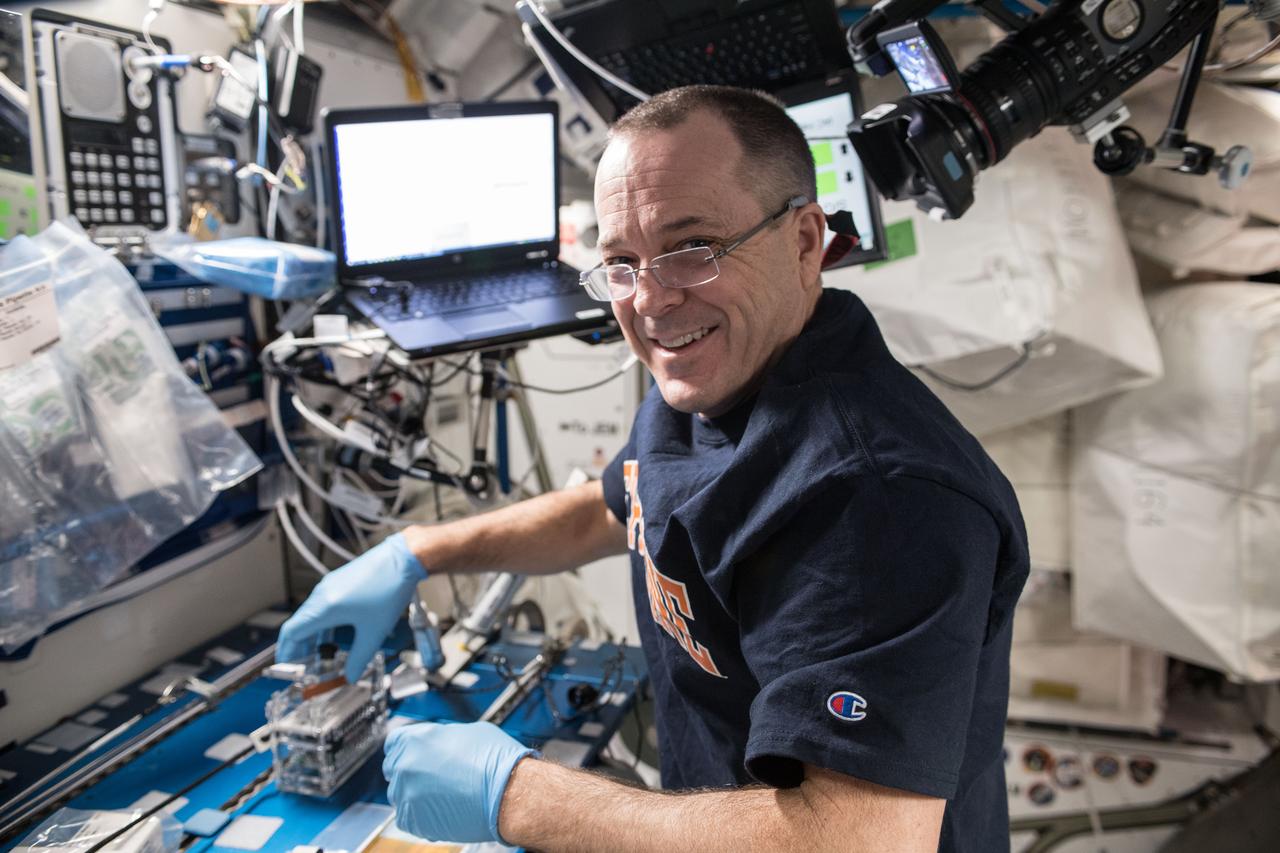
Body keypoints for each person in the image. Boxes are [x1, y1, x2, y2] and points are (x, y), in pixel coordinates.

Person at [277, 85, 1029, 852]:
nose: (652, 299)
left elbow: (860, 838)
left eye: (691, 247)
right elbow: (615, 507)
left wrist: (519, 794)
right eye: (622, 264)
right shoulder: (709, 377)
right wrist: (416, 552)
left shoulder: (876, 495)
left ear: (806, 242)